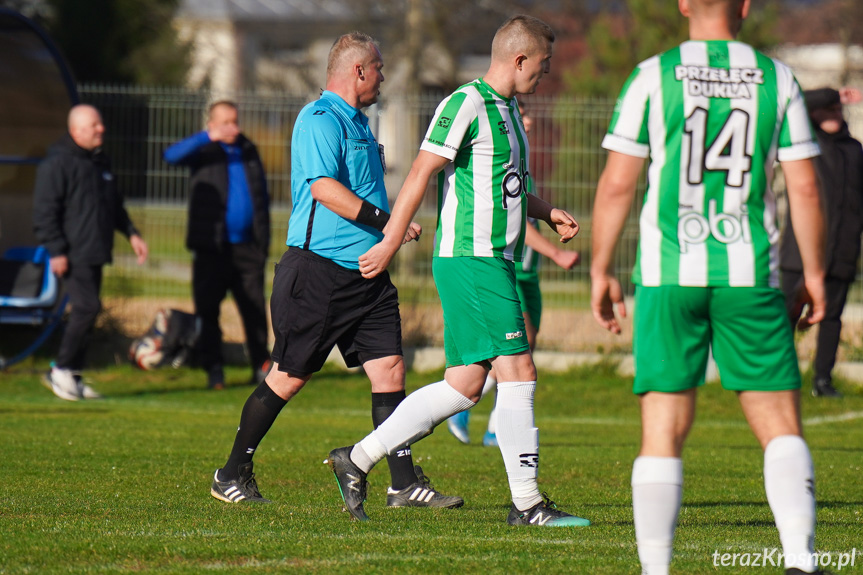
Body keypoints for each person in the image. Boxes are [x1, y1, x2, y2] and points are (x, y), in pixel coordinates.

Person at [590, 1, 827, 574]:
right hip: (750, 274)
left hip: (669, 275)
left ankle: (656, 568)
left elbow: (620, 183)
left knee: (663, 424)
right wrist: (814, 274)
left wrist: (600, 268)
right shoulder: (778, 78)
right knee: (777, 420)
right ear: (745, 6)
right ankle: (799, 557)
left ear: (684, 4)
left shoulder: (652, 74)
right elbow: (806, 188)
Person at [326, 15, 588, 527]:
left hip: (494, 260)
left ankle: (355, 460)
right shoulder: (466, 102)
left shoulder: (510, 110)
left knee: (465, 386)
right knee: (519, 370)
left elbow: (505, 186)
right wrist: (388, 243)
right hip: (473, 258)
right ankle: (528, 505)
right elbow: (422, 171)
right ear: (519, 59)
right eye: (543, 64)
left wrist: (546, 210)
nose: (546, 73)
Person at [209, 32, 463, 511]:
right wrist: (388, 223)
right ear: (359, 71)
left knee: (389, 369)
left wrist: (386, 236)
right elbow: (324, 189)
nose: (384, 76)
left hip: (367, 275)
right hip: (318, 271)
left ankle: (402, 483)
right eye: (379, 69)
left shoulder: (362, 125)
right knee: (288, 376)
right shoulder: (318, 118)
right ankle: (231, 471)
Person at [447, 103, 580, 447]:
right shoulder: (498, 160)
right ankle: (473, 415)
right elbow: (517, 220)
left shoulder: (521, 164)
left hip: (530, 275)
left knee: (522, 350)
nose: (530, 122)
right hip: (510, 270)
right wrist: (555, 252)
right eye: (524, 116)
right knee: (516, 353)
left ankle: (488, 422)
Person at [33, 104, 149, 400]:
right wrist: (57, 250)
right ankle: (59, 369)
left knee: (89, 310)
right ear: (75, 131)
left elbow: (114, 206)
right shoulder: (57, 164)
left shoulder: (100, 162)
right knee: (86, 308)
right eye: (94, 125)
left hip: (96, 250)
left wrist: (132, 233)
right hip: (72, 252)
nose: (101, 129)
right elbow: (45, 213)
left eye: (100, 124)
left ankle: (74, 376)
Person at [163, 101, 271, 390]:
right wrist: (208, 137)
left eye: (234, 121)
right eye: (224, 122)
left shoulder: (248, 150)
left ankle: (262, 367)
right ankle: (214, 371)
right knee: (208, 310)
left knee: (255, 311)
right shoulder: (203, 149)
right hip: (212, 248)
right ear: (211, 125)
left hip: (248, 248)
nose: (232, 128)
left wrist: (263, 242)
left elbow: (261, 196)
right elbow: (170, 156)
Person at [781, 86, 863, 399]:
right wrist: (835, 94)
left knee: (831, 320)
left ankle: (822, 382)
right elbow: (801, 101)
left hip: (842, 251)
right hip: (799, 254)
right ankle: (781, 379)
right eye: (828, 109)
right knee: (787, 315)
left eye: (838, 110)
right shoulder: (806, 145)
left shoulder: (855, 150)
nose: (835, 114)